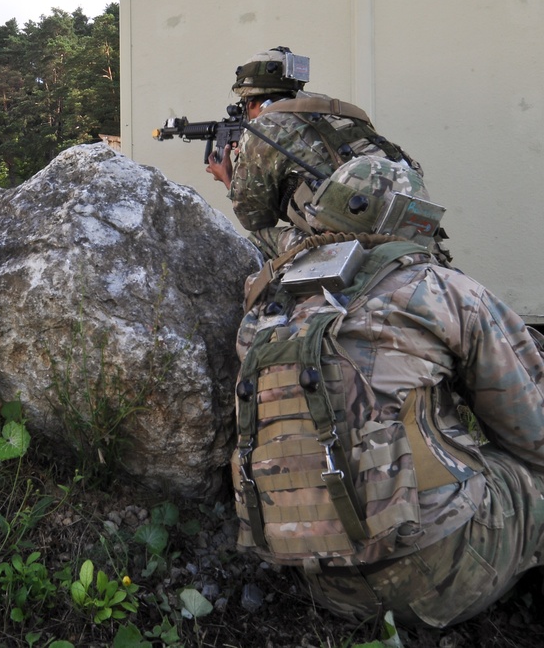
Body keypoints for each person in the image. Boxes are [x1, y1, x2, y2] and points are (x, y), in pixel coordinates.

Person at [230, 154, 544, 629]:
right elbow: (533, 432)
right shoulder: (441, 291)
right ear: (415, 223)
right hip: (447, 569)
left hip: (324, 584)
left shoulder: (264, 302)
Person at [206, 46, 426, 260]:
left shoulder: (263, 127)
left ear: (251, 101)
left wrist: (228, 177)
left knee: (257, 240)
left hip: (351, 238)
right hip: (410, 227)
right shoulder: (336, 111)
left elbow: (255, 219)